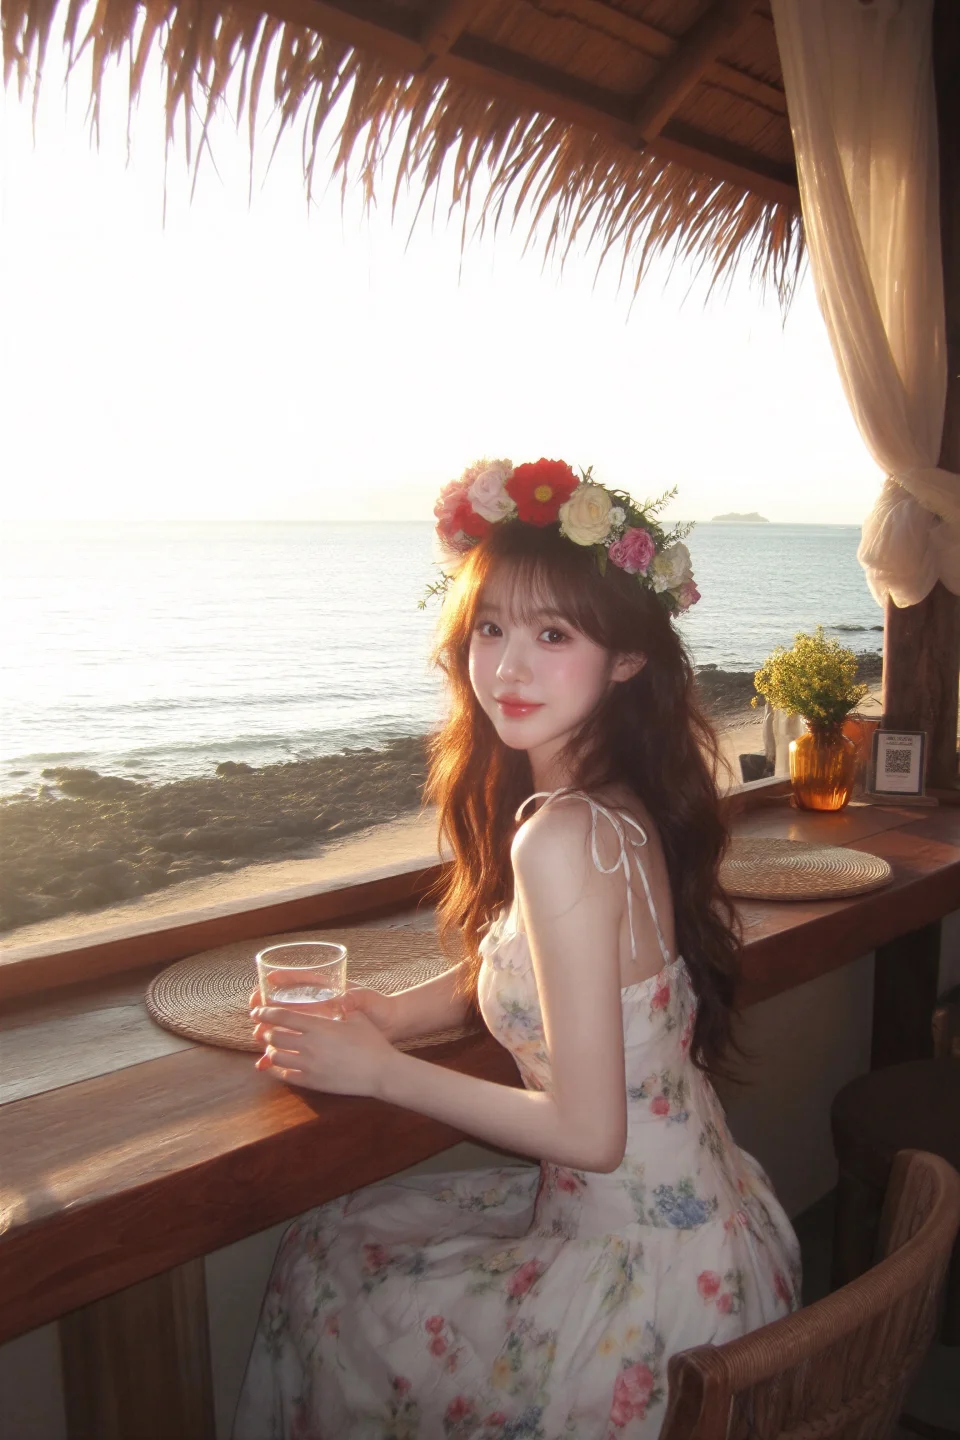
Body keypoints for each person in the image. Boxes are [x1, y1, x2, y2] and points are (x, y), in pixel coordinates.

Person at [235, 458, 801, 1440]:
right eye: (490, 628)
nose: (507, 667)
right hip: (705, 1233)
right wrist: (395, 1013)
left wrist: (378, 1072)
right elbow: (551, 968)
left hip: (637, 1296)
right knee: (338, 1238)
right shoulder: (619, 798)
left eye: (553, 634)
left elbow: (590, 1134)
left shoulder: (562, 836)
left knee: (325, 1263)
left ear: (626, 657)